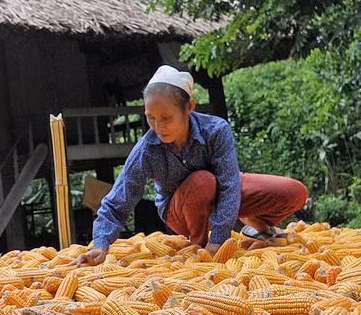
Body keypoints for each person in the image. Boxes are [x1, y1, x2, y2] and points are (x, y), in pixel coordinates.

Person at [77, 65, 308, 266]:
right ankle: (199, 244)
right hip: (178, 211)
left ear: (189, 107)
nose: (158, 126)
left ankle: (253, 223)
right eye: (151, 118)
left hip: (221, 194)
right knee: (202, 181)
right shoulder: (147, 149)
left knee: (295, 192)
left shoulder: (216, 130)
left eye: (166, 118)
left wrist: (219, 238)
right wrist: (101, 245)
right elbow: (118, 202)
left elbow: (229, 184)